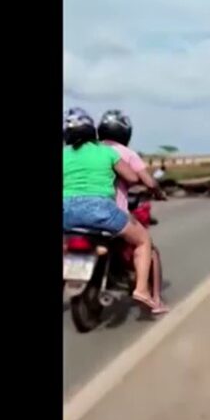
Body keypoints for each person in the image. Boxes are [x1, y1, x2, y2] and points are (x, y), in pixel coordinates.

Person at [62, 108, 160, 313]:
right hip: (100, 210)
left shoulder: (64, 154)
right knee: (143, 240)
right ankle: (142, 290)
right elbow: (133, 178)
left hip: (66, 212)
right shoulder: (106, 152)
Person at [97, 109, 169, 314]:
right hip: (111, 214)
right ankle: (148, 294)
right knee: (147, 245)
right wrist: (157, 191)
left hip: (78, 213)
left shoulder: (88, 150)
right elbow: (147, 181)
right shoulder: (126, 154)